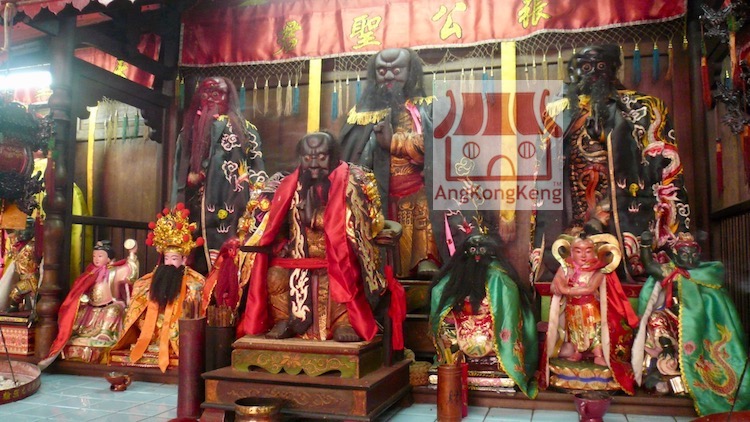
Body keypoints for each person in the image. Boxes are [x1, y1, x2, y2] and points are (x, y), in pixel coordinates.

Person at [531, 44, 691, 284]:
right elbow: (543, 173)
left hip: (625, 213)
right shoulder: (557, 114)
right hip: (573, 213)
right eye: (585, 67)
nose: (594, 73)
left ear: (614, 68)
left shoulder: (643, 108)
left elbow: (665, 169)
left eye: (601, 66)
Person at [237, 132, 404, 345]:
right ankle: (284, 320)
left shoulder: (353, 181)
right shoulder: (286, 184)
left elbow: (359, 223)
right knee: (275, 275)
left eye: (321, 157)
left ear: (333, 156)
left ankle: (343, 323)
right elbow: (274, 223)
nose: (314, 164)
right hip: (297, 256)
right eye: (308, 158)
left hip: (336, 254)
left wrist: (315, 217)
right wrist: (281, 242)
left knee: (340, 274)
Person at [340, 48, 445, 279]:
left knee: (426, 204)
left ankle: (426, 258)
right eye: (382, 70)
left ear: (411, 72)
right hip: (379, 189)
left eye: (396, 70)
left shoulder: (427, 108)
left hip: (418, 188)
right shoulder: (362, 115)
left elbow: (439, 148)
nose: (389, 76)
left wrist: (394, 142)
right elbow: (352, 157)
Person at [632, 231, 750, 416]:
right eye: (685, 255)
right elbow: (649, 265)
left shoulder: (708, 275)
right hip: (672, 318)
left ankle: (694, 380)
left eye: (694, 255)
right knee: (656, 320)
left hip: (700, 325)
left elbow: (718, 309)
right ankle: (665, 363)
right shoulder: (669, 271)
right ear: (675, 254)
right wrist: (645, 245)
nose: (690, 259)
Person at [171, 76, 266, 274]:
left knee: (232, 262)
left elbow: (258, 170)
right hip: (198, 210)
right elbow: (179, 175)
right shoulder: (189, 131)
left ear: (228, 97)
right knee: (197, 265)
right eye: (205, 94)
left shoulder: (246, 130)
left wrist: (258, 205)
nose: (210, 99)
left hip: (236, 206)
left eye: (217, 94)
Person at [429, 234, 538, 398]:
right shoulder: (454, 276)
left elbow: (508, 312)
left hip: (491, 330)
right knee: (446, 331)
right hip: (460, 329)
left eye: (482, 250)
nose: (477, 256)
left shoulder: (500, 277)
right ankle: (452, 363)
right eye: (473, 250)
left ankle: (501, 364)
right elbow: (439, 298)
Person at [109, 203, 206, 372]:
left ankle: (171, 346)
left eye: (174, 259)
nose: (169, 263)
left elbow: (197, 307)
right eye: (167, 259)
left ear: (184, 260)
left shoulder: (195, 281)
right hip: (152, 326)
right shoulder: (150, 279)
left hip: (175, 327)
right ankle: (149, 342)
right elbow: (137, 301)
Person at [544, 233, 638, 394]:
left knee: (594, 331)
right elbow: (554, 286)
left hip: (590, 309)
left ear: (594, 252)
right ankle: (577, 351)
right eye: (578, 251)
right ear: (571, 252)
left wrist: (566, 289)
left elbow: (589, 288)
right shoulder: (566, 268)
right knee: (574, 332)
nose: (583, 255)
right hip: (572, 309)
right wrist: (559, 285)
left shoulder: (599, 270)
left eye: (588, 251)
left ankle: (598, 353)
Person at [39, 239, 138, 367]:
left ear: (109, 258)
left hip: (110, 304)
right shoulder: (91, 272)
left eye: (100, 256)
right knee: (80, 310)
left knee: (113, 311)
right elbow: (82, 289)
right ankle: (76, 333)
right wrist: (83, 298)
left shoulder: (114, 271)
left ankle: (105, 333)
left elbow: (131, 274)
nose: (96, 259)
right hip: (91, 306)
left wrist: (132, 253)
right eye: (94, 256)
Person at [0, 218, 39, 313]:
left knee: (36, 297)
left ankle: (36, 311)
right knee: (15, 293)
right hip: (23, 277)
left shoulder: (35, 245)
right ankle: (14, 307)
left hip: (33, 277)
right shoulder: (19, 246)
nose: (22, 232)